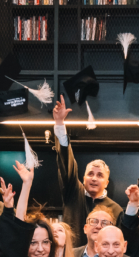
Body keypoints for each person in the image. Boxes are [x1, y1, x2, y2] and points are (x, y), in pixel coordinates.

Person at [52, 95, 124, 242]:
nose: (94, 178)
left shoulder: (116, 210)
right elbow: (66, 163)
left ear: (107, 183)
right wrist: (59, 123)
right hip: (72, 255)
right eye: (90, 174)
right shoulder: (73, 192)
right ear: (83, 178)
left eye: (100, 175)